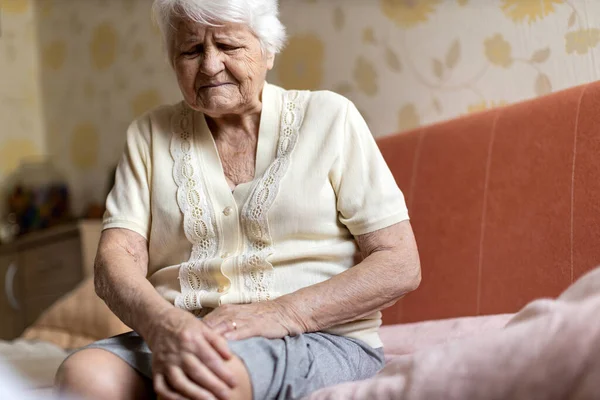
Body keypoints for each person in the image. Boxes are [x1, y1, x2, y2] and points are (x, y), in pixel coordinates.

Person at [55, 0, 421, 399]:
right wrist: (164, 325)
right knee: (83, 376)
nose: (210, 65)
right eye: (191, 50)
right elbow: (116, 260)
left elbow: (399, 262)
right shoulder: (148, 135)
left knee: (204, 377)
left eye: (228, 46)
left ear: (268, 50)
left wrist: (283, 312)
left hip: (315, 335)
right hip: (185, 333)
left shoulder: (330, 117)